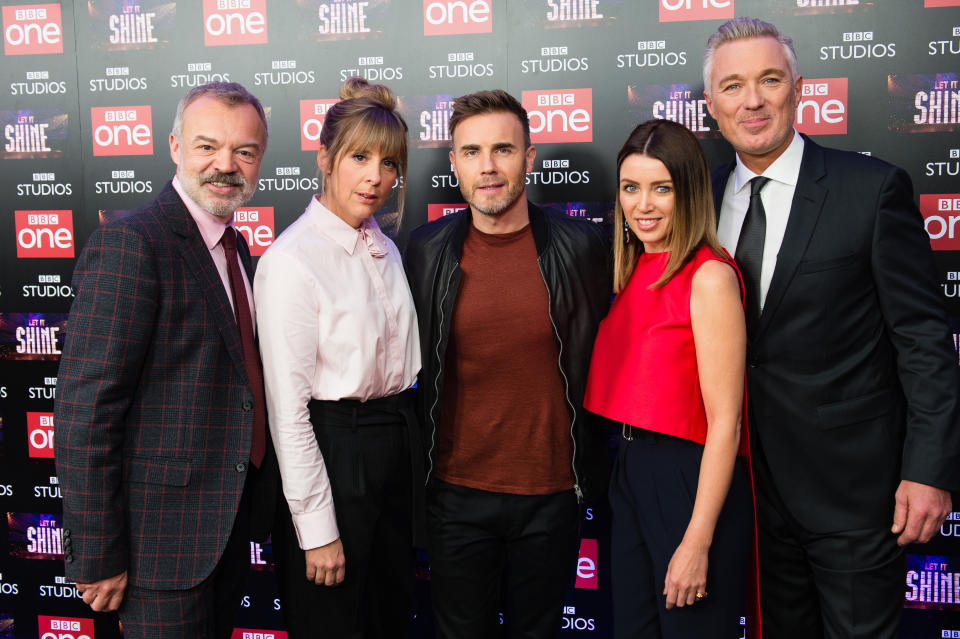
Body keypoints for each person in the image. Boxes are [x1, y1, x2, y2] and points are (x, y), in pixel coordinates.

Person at [703, 17, 960, 639]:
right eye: (733, 86)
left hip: (854, 492)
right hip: (748, 495)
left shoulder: (869, 190)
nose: (753, 99)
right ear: (712, 107)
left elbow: (924, 340)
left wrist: (929, 469)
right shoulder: (699, 203)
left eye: (770, 79)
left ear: (798, 88)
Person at [54, 82, 277, 639]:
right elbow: (87, 411)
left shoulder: (236, 247)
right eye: (207, 146)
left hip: (224, 531)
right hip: (157, 550)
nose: (225, 165)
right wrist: (99, 553)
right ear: (175, 146)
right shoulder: (133, 242)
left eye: (244, 152)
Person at [403, 89, 610, 639]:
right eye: (471, 152)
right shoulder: (423, 252)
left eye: (503, 149)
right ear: (454, 164)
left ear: (530, 157)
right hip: (454, 494)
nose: (488, 167)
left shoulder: (585, 248)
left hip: (551, 496)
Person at [254, 77, 422, 639]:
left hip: (393, 448)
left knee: (388, 617)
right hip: (334, 454)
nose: (376, 176)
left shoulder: (386, 247)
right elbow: (288, 413)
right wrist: (317, 528)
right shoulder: (292, 261)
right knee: (333, 622)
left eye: (389, 162)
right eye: (359, 156)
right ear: (325, 157)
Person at [583, 119, 755, 638]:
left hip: (689, 479)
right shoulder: (632, 266)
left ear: (690, 192)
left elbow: (727, 423)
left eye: (662, 188)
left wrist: (698, 539)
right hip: (630, 468)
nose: (644, 205)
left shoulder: (709, 278)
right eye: (631, 188)